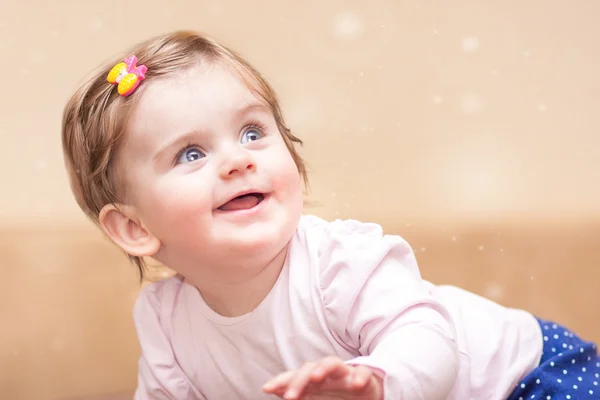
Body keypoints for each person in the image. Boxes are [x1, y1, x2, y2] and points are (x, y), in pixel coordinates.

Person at [61, 30, 599, 400]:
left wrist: (377, 382)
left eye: (253, 132)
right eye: (191, 154)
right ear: (134, 228)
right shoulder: (165, 320)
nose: (238, 160)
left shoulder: (338, 261)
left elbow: (428, 339)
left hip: (525, 379)